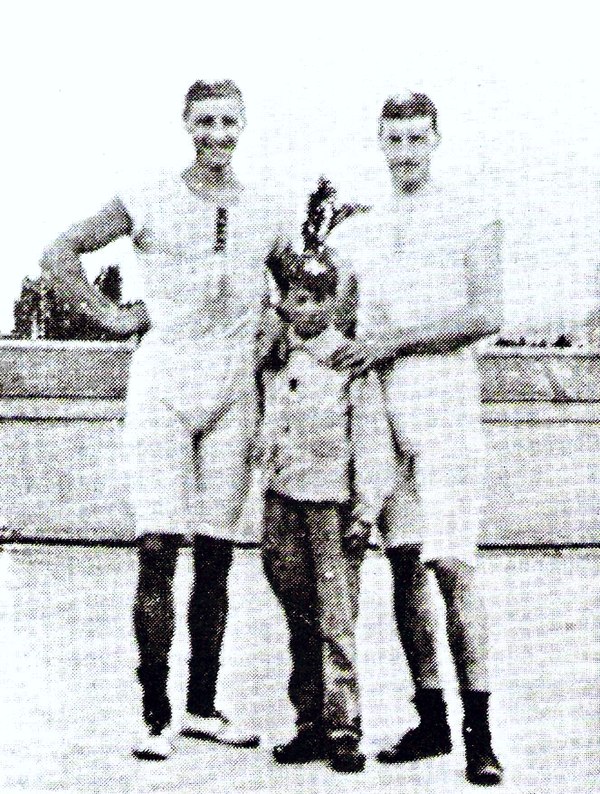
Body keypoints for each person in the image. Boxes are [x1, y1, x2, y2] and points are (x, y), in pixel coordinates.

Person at [40, 79, 288, 760]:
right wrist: (112, 317)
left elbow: (302, 291)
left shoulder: (268, 207)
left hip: (234, 390)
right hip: (164, 387)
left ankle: (203, 706)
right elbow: (59, 252)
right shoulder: (148, 194)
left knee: (215, 558)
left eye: (229, 121)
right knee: (158, 549)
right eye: (205, 121)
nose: (217, 134)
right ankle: (154, 712)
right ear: (186, 124)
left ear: (245, 125)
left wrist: (282, 327)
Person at [327, 91, 504, 785]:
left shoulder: (471, 212)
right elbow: (337, 323)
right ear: (380, 142)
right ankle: (430, 719)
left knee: (452, 566)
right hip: (382, 409)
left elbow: (487, 311)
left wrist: (393, 339)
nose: (405, 152)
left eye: (416, 139)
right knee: (402, 565)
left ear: (435, 140)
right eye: (394, 139)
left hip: (445, 404)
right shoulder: (360, 232)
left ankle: (479, 733)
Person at [257, 227, 395, 773]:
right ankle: (309, 723)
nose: (307, 308)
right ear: (285, 302)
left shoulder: (347, 364)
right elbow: (267, 428)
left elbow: (370, 442)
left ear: (335, 302)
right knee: (298, 617)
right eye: (297, 297)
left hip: (332, 509)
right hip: (282, 504)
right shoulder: (275, 361)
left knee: (336, 621)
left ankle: (344, 729)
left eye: (318, 298)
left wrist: (366, 512)